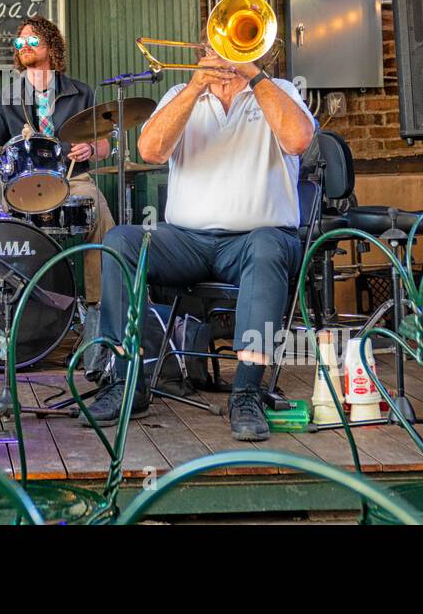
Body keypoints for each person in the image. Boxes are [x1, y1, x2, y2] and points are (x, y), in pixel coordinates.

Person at [81, 44, 315, 441]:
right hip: (187, 240)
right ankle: (126, 381)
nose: (225, 57)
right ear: (203, 52)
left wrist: (252, 75)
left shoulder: (280, 90)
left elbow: (297, 141)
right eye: (217, 48)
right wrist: (194, 87)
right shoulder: (180, 95)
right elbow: (150, 150)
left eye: (235, 48)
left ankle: (247, 389)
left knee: (267, 247)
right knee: (121, 240)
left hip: (258, 238)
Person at [0, 17, 114, 303]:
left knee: (101, 217)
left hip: (73, 179)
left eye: (33, 41)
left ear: (51, 45)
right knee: (4, 224)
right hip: (22, 183)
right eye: (20, 43)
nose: (25, 46)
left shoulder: (81, 92)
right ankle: (15, 307)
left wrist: (90, 150)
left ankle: (100, 307)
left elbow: (103, 146)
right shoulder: (6, 97)